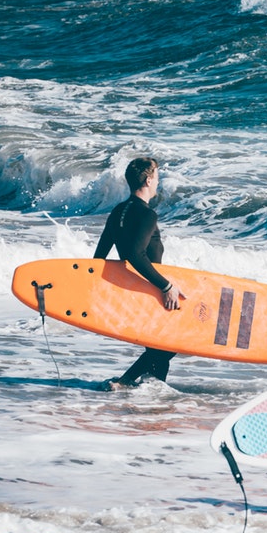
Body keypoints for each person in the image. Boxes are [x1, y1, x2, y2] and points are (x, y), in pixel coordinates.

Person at [93, 157, 184, 389]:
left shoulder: (118, 211)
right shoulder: (147, 214)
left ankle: (151, 393)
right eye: (157, 177)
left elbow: (99, 258)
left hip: (132, 290)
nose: (158, 182)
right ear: (149, 180)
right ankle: (125, 383)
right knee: (168, 344)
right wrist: (166, 286)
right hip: (150, 291)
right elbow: (136, 254)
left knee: (160, 347)